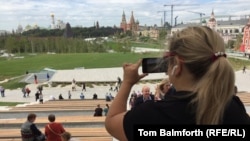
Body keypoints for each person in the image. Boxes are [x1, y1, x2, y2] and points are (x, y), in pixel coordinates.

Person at [105, 26, 250, 141]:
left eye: (167, 58)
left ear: (178, 65)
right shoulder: (233, 108)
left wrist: (127, 82)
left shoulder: (152, 115)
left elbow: (112, 122)